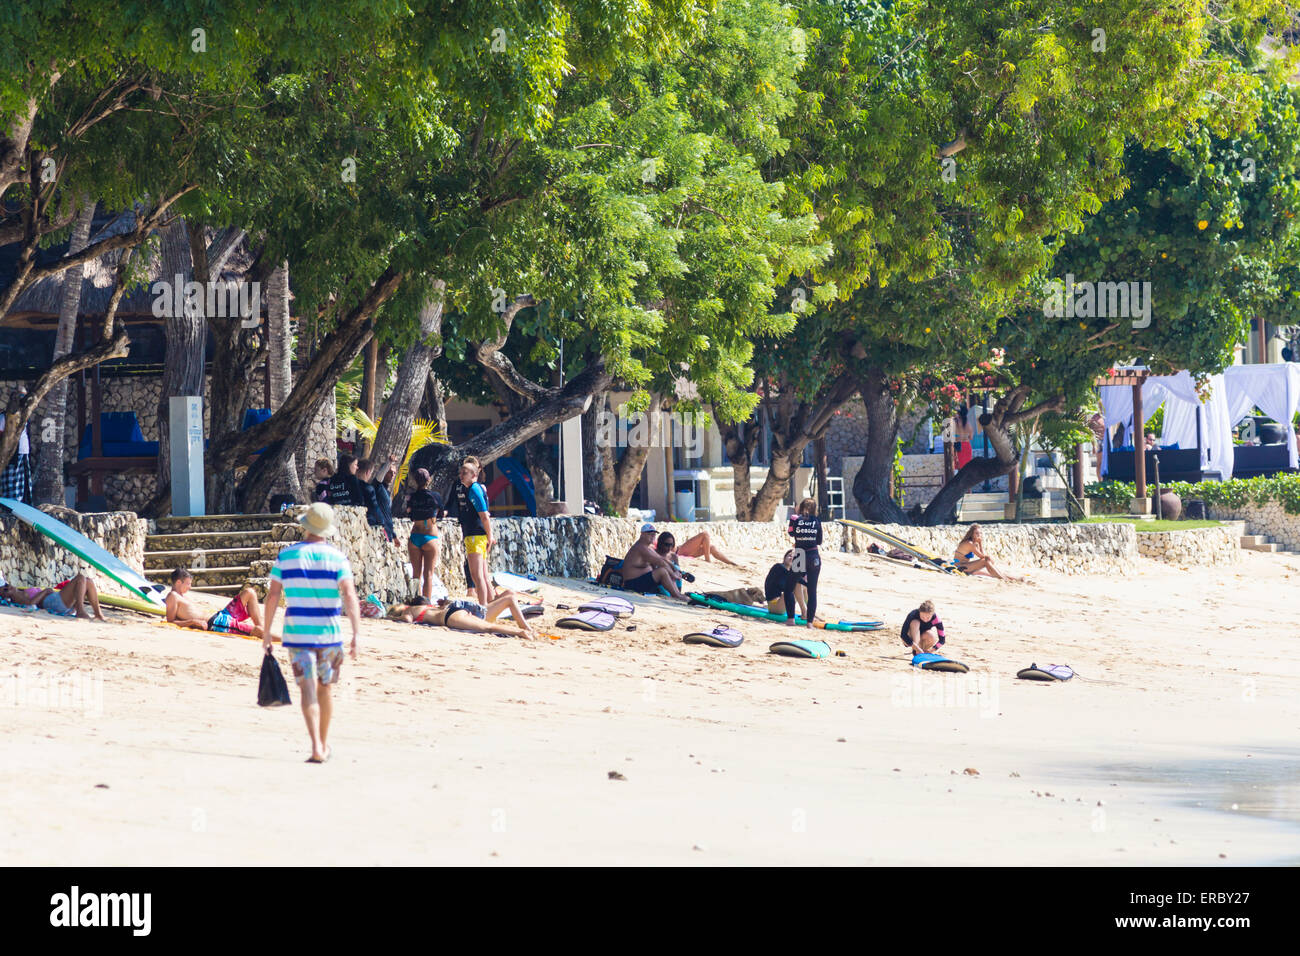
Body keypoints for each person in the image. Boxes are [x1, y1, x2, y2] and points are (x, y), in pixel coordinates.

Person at [262, 503, 361, 764]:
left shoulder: (286, 556)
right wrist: (357, 634)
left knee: (307, 689)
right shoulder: (337, 558)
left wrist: (267, 632)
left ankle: (316, 744)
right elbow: (350, 595)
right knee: (325, 689)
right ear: (326, 530)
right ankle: (324, 744)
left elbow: (273, 595)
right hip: (329, 636)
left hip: (298, 634)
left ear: (306, 526)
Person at [164, 567, 266, 637]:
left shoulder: (183, 596)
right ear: (178, 582)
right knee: (258, 631)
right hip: (217, 623)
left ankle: (261, 626)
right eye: (188, 584)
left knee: (250, 592)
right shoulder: (173, 596)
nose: (190, 587)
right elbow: (171, 621)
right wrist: (192, 622)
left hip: (221, 615)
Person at [387, 593, 534, 639]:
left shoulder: (409, 611)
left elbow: (406, 620)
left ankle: (521, 632)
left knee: (488, 628)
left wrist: (392, 619)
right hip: (455, 610)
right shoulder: (425, 606)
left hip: (449, 617)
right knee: (486, 626)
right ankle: (524, 630)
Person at [453, 456, 494, 607]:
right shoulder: (470, 489)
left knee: (477, 576)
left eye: (465, 473)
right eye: (461, 472)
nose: (461, 475)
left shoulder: (474, 489)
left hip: (476, 535)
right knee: (482, 574)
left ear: (474, 475)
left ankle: (483, 607)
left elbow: (484, 515)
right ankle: (491, 603)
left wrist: (490, 536)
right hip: (475, 535)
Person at [619, 523, 687, 600]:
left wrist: (675, 570)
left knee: (666, 570)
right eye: (650, 534)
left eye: (654, 534)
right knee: (662, 571)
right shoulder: (640, 548)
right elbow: (661, 562)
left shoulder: (647, 547)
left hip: (639, 582)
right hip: (632, 584)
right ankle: (676, 595)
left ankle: (677, 593)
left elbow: (664, 559)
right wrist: (674, 575)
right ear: (642, 534)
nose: (652, 536)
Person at [406, 467, 444, 602]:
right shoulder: (435, 496)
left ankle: (415, 601)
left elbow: (410, 515)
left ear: (415, 480)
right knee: (428, 574)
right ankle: (426, 604)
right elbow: (440, 515)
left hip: (415, 535)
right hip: (430, 536)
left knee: (416, 574)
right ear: (429, 479)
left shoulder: (411, 497)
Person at [0, 572, 105, 621]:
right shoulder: (17, 597)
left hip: (55, 599)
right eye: (5, 589)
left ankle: (98, 614)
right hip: (52, 601)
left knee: (88, 581)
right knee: (80, 578)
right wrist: (46, 591)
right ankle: (80, 611)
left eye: (7, 585)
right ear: (5, 596)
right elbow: (30, 603)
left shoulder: (19, 591)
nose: (9, 587)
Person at [785, 497, 823, 627]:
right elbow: (819, 541)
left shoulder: (796, 519)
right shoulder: (817, 521)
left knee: (789, 588)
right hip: (813, 555)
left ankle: (790, 619)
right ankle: (810, 623)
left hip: (800, 554)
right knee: (812, 591)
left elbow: (790, 533)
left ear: (801, 507)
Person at [0, 385, 33, 504]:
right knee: (11, 484)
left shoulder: (25, 416)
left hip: (23, 452)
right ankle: (12, 507)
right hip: (11, 454)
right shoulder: (4, 417)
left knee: (23, 484)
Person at [764, 549, 813, 619]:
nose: (791, 558)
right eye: (789, 556)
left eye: (794, 557)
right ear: (784, 558)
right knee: (797, 584)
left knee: (803, 586)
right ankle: (805, 612)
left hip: (782, 604)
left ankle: (809, 611)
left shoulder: (789, 573)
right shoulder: (778, 567)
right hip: (774, 606)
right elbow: (795, 580)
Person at [356, 458, 396, 542]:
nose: (392, 475)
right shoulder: (378, 486)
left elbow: (388, 515)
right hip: (379, 531)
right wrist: (389, 462)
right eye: (389, 472)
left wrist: (394, 534)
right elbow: (378, 478)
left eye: (394, 473)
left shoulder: (388, 493)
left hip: (388, 533)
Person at [670, 529, 740, 566]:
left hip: (682, 551)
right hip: (679, 551)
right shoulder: (661, 540)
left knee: (712, 548)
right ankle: (708, 560)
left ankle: (730, 563)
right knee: (705, 534)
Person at [951, 405, 974, 470]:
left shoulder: (954, 422)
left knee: (957, 468)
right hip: (967, 446)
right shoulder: (968, 424)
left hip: (957, 446)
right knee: (966, 468)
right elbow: (971, 437)